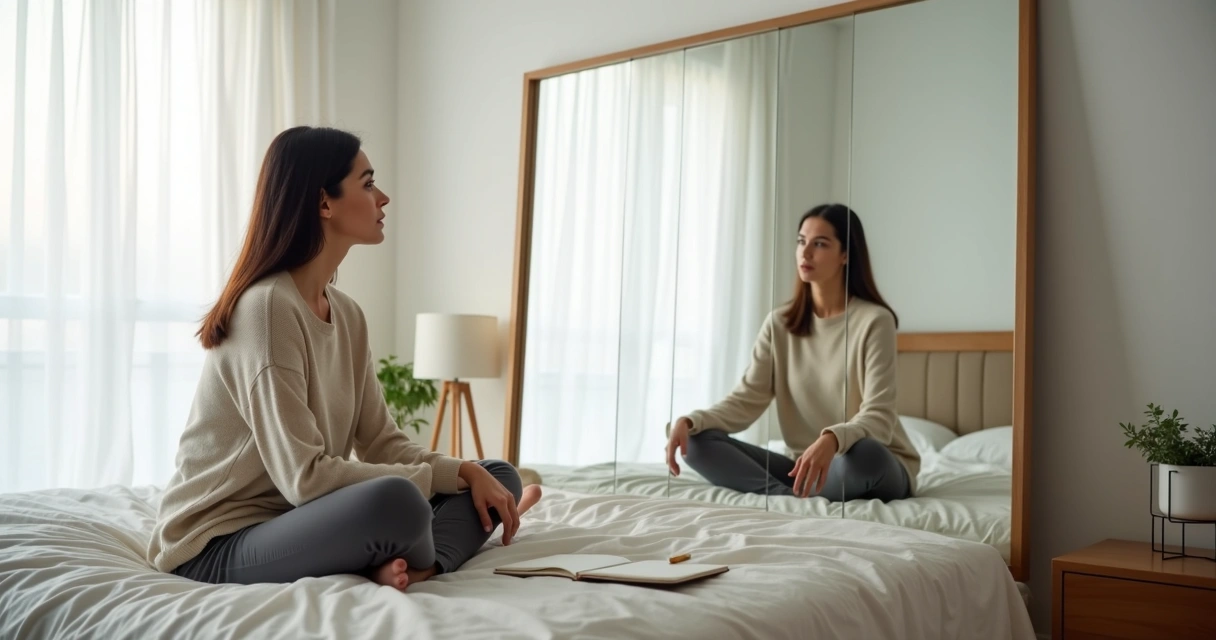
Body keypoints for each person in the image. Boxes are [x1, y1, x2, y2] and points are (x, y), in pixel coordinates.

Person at [146, 126, 541, 592]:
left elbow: (382, 442)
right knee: (399, 500)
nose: (384, 198)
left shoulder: (347, 314)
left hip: (301, 524)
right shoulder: (267, 310)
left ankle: (419, 565)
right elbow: (306, 479)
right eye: (369, 183)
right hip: (215, 544)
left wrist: (466, 473)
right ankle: (413, 547)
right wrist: (437, 481)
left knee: (498, 475)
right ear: (324, 203)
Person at [665, 203, 918, 503]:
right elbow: (745, 402)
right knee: (694, 442)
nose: (805, 252)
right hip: (802, 468)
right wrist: (692, 421)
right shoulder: (779, 324)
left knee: (867, 453)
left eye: (820, 244)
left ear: (846, 254)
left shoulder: (874, 321)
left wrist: (833, 439)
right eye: (801, 241)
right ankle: (786, 497)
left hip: (873, 466)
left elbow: (879, 417)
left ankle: (797, 493)